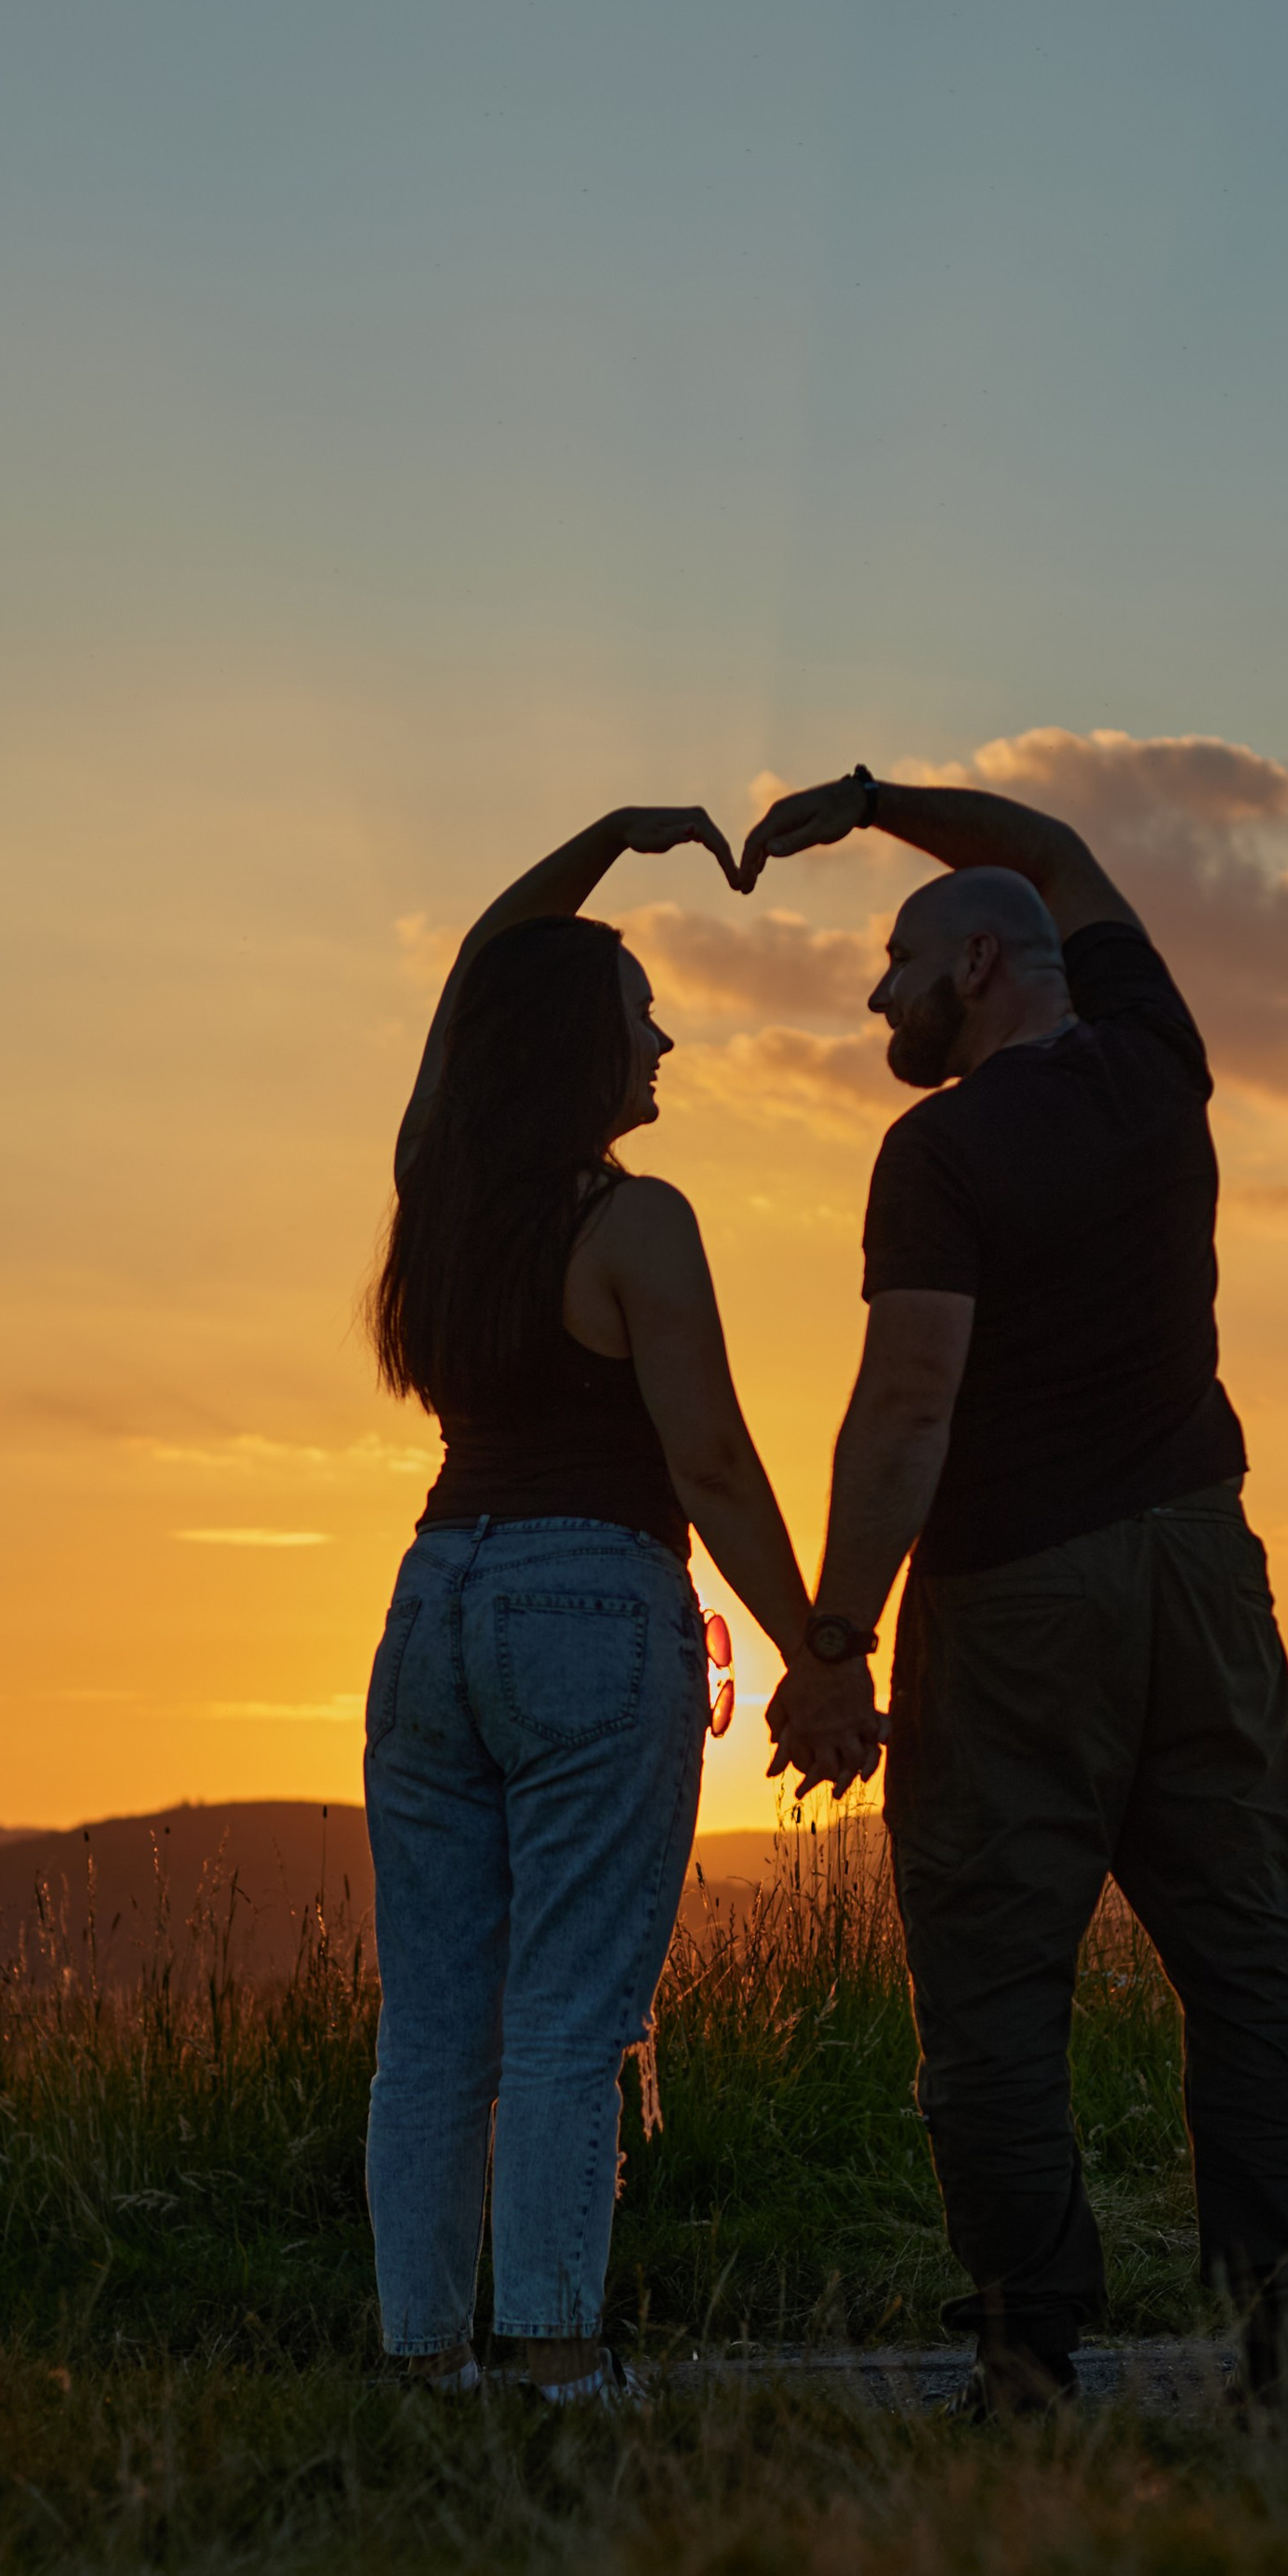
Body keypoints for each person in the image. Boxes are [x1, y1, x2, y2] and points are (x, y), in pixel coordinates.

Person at [743, 765, 1288, 2423]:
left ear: (982, 971)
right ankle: (1286, 2356)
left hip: (1019, 1608)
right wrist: (870, 802)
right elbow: (1061, 850)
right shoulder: (1162, 1063)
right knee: (1247, 1961)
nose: (879, 990)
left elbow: (911, 1405)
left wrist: (837, 1643)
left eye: (897, 960)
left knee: (997, 1984)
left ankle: (1027, 2361)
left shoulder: (937, 1150)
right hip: (1205, 1568)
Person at [363, 803, 857, 2401]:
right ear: (579, 1049)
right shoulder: (636, 1223)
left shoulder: (436, 1193)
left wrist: (603, 845)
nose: (666, 1038)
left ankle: (425, 2371)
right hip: (588, 1599)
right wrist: (821, 1654)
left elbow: (469, 976)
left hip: (434, 1605)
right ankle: (559, 2369)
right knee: (574, 2015)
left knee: (435, 2025)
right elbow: (708, 1457)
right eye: (641, 1014)